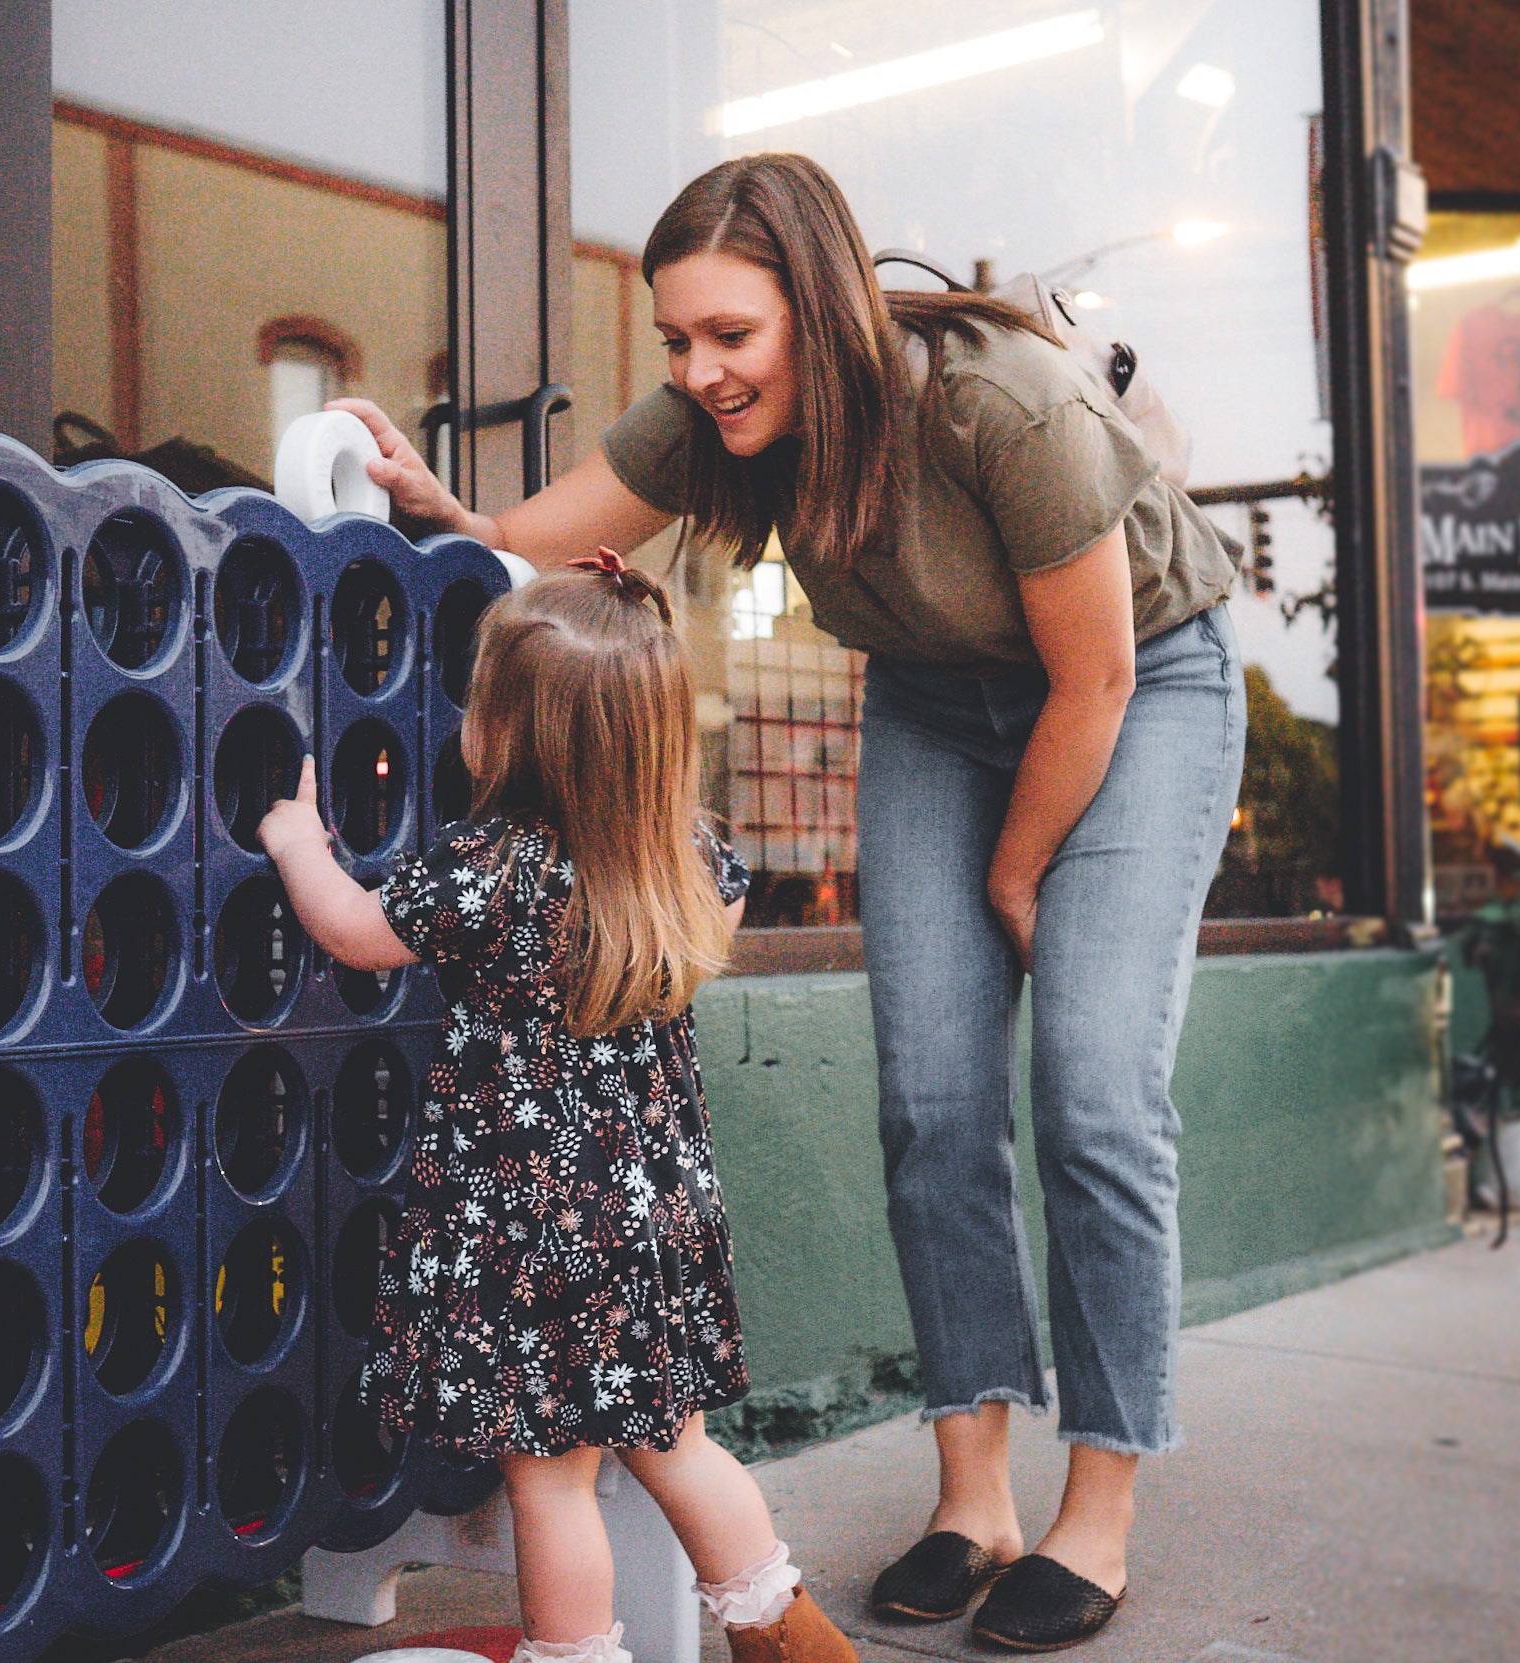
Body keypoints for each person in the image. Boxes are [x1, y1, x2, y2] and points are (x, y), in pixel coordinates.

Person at [325, 153, 1247, 1652]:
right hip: (939, 704)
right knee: (935, 1094)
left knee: (1090, 1090)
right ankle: (973, 1497)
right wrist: (425, 504)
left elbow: (1099, 676)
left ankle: (1097, 1503)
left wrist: (1014, 872)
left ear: (814, 310)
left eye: (729, 338)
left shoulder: (1002, 401)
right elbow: (524, 540)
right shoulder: (716, 420)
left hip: (1137, 692)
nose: (697, 371)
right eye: (676, 339)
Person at [259, 557, 857, 1663]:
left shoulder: (486, 872)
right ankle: (784, 1631)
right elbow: (701, 948)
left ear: (509, 735)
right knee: (678, 1444)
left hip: (531, 1238)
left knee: (552, 1481)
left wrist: (298, 844)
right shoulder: (690, 858)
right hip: (653, 1217)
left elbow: (352, 930)